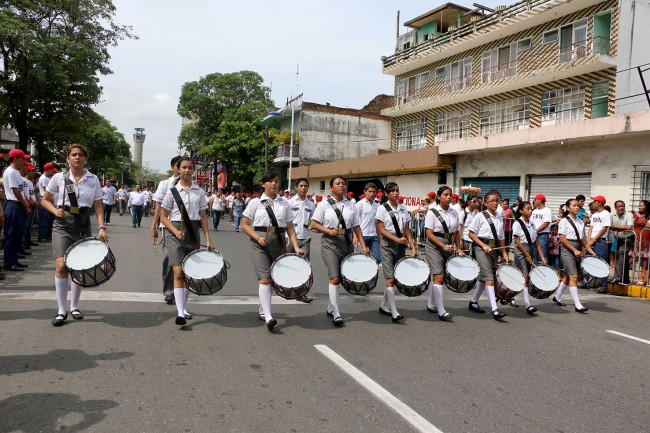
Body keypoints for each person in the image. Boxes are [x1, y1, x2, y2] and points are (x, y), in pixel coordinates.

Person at [41, 144, 107, 326]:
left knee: (78, 266)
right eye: (74, 155)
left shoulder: (93, 179)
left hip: (83, 223)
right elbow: (45, 200)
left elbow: (98, 205)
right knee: (61, 266)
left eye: (81, 155)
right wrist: (55, 211)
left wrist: (102, 227)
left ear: (85, 158)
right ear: (68, 159)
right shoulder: (58, 178)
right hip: (62, 224)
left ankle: (74, 306)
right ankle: (61, 310)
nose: (77, 157)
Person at [241, 172, 303, 331]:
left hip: (279, 241)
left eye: (276, 181)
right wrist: (257, 237)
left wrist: (296, 247)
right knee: (265, 279)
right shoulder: (256, 202)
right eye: (270, 181)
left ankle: (263, 309)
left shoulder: (284, 203)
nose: (274, 184)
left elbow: (290, 227)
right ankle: (269, 317)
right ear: (263, 184)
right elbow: (245, 224)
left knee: (275, 279)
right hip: (260, 241)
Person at [159, 157, 214, 326]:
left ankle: (184, 307)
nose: (187, 170)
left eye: (190, 167)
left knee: (189, 273)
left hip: (193, 233)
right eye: (184, 167)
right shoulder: (172, 191)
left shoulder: (199, 192)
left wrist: (208, 239)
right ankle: (180, 312)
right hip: (176, 234)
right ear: (178, 169)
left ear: (193, 170)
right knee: (178, 273)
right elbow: (163, 216)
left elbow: (203, 217)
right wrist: (175, 231)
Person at [310, 176, 369, 326]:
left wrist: (363, 245)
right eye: (338, 184)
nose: (341, 186)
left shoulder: (351, 205)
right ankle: (336, 312)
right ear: (331, 187)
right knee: (334, 277)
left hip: (346, 242)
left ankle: (330, 307)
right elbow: (314, 224)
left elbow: (356, 226)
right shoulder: (324, 205)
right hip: (330, 242)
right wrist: (328, 231)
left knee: (343, 277)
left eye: (343, 184)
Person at [375, 182, 417, 323]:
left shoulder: (403, 208)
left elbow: (406, 229)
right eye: (392, 191)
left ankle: (383, 305)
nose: (395, 193)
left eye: (397, 190)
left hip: (400, 245)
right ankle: (394, 312)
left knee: (396, 276)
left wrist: (413, 246)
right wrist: (396, 240)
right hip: (387, 243)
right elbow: (381, 230)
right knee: (390, 278)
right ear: (386, 194)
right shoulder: (382, 209)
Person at [467, 191, 509, 321]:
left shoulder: (500, 217)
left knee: (483, 278)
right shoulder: (480, 216)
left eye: (497, 200)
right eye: (493, 201)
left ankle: (473, 302)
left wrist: (504, 253)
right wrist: (483, 245)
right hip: (482, 248)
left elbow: (501, 237)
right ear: (485, 203)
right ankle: (495, 309)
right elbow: (471, 234)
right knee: (490, 278)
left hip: (494, 248)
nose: (496, 203)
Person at [424, 186, 462, 321]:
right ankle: (441, 310)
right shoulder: (432, 212)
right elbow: (429, 234)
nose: (449, 197)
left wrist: (459, 248)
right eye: (445, 194)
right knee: (439, 275)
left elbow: (456, 232)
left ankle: (430, 303)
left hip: (448, 244)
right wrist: (442, 246)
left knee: (440, 276)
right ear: (438, 197)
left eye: (450, 195)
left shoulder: (454, 212)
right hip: (435, 244)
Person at [552, 198, 593, 312]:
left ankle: (557, 296)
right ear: (568, 208)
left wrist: (590, 249)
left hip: (578, 248)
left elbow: (583, 238)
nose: (577, 207)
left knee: (569, 275)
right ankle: (577, 304)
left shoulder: (580, 221)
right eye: (574, 205)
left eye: (577, 206)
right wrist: (573, 250)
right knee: (574, 276)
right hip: (567, 249)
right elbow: (562, 238)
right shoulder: (564, 221)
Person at [151, 156, 182, 304]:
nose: (183, 169)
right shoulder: (165, 184)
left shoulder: (193, 186)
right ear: (173, 167)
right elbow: (158, 206)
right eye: (179, 166)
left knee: (184, 260)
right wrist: (154, 226)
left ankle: (181, 290)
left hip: (186, 228)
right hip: (168, 226)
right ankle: (169, 290)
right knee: (168, 258)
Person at [512, 201, 547, 314]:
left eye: (531, 209)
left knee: (521, 277)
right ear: (521, 211)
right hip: (521, 251)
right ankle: (528, 304)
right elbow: (517, 241)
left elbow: (536, 241)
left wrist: (542, 257)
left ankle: (509, 295)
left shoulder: (532, 223)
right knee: (525, 277)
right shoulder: (517, 223)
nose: (530, 211)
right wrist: (527, 255)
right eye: (528, 209)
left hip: (530, 250)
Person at [287, 177, 316, 303]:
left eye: (305, 186)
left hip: (305, 238)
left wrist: (313, 226)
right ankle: (287, 288)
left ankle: (301, 293)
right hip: (289, 238)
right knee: (288, 264)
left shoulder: (311, 204)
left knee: (304, 266)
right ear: (296, 187)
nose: (303, 188)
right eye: (301, 186)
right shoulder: (289, 202)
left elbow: (314, 220)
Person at [2, 149, 31, 272]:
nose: (24, 162)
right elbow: (15, 190)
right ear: (15, 159)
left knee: (17, 235)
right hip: (14, 205)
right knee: (11, 235)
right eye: (22, 159)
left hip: (18, 206)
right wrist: (25, 204)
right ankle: (9, 262)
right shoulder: (11, 172)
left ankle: (13, 260)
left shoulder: (16, 173)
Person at [586, 195, 611, 293]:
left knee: (601, 262)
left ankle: (603, 285)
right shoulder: (595, 214)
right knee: (589, 261)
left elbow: (604, 228)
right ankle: (592, 282)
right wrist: (588, 240)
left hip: (600, 240)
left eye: (595, 201)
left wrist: (594, 240)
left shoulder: (606, 214)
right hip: (592, 240)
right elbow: (591, 227)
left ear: (600, 203)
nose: (593, 203)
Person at [354, 182, 381, 264]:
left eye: (374, 192)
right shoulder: (359, 204)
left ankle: (369, 270)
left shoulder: (377, 206)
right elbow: (355, 221)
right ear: (365, 192)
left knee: (378, 258)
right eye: (369, 191)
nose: (372, 194)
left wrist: (379, 236)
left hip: (374, 236)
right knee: (360, 259)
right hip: (362, 235)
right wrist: (355, 236)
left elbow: (378, 222)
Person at [610, 201, 634, 285]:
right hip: (618, 238)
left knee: (620, 256)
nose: (621, 208)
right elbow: (609, 226)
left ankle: (617, 277)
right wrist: (618, 228)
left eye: (623, 206)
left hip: (628, 238)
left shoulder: (629, 215)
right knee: (623, 258)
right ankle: (626, 278)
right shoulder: (612, 215)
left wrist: (615, 227)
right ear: (615, 208)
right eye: (619, 206)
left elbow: (629, 227)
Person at [630, 200, 650, 285]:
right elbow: (631, 224)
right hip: (637, 239)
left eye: (641, 206)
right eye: (639, 205)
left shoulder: (649, 217)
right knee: (633, 258)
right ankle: (622, 274)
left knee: (646, 259)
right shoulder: (635, 215)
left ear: (647, 207)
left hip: (647, 239)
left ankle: (643, 278)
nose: (639, 207)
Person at [531, 193, 553, 263]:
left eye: (535, 199)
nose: (534, 201)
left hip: (542, 235)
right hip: (534, 235)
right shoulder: (534, 211)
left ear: (540, 200)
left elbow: (546, 223)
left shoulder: (547, 210)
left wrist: (535, 231)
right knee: (534, 255)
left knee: (542, 256)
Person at [38, 162, 56, 242]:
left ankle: (45, 235)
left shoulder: (44, 177)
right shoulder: (44, 178)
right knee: (44, 219)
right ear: (48, 169)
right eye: (51, 170)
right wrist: (51, 200)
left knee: (47, 219)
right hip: (45, 200)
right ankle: (42, 235)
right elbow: (46, 191)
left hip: (47, 200)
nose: (52, 171)